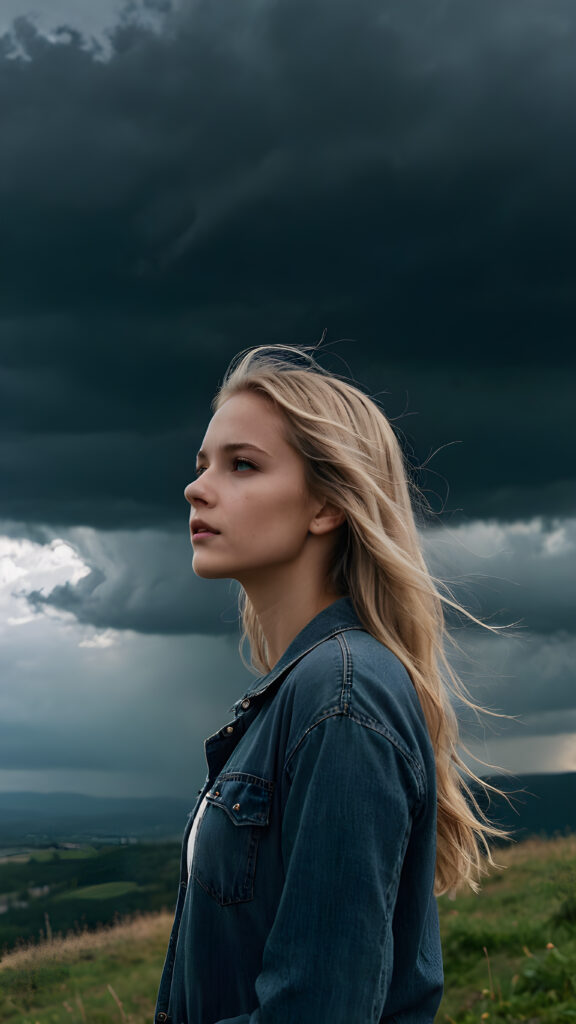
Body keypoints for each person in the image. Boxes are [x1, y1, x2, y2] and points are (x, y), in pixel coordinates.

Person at [154, 343, 509, 1024]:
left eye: (242, 465)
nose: (198, 488)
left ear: (326, 507)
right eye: (203, 466)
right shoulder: (300, 692)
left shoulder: (343, 695)